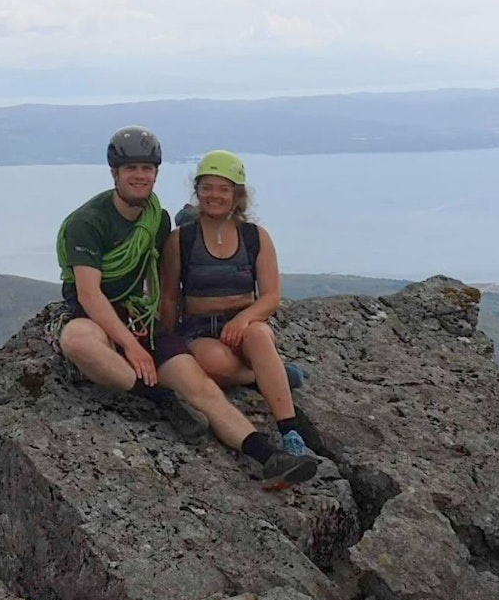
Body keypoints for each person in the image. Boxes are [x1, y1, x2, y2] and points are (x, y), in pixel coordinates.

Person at [54, 127, 320, 489]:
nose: (140, 175)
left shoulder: (157, 220)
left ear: (156, 174)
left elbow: (170, 263)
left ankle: (269, 457)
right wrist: (132, 347)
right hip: (99, 318)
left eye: (147, 168)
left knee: (202, 387)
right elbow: (89, 295)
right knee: (79, 340)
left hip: (139, 317)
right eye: (130, 168)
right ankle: (161, 398)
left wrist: (161, 339)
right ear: (114, 173)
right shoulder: (89, 223)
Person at [159, 150, 323, 457]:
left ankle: (289, 431)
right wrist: (166, 341)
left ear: (238, 194)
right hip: (200, 329)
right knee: (213, 363)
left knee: (259, 336)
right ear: (197, 192)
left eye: (224, 188)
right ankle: (268, 374)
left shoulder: (255, 237)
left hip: (247, 322)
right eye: (207, 187)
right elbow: (169, 296)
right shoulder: (180, 239)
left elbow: (271, 295)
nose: (214, 195)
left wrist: (243, 320)